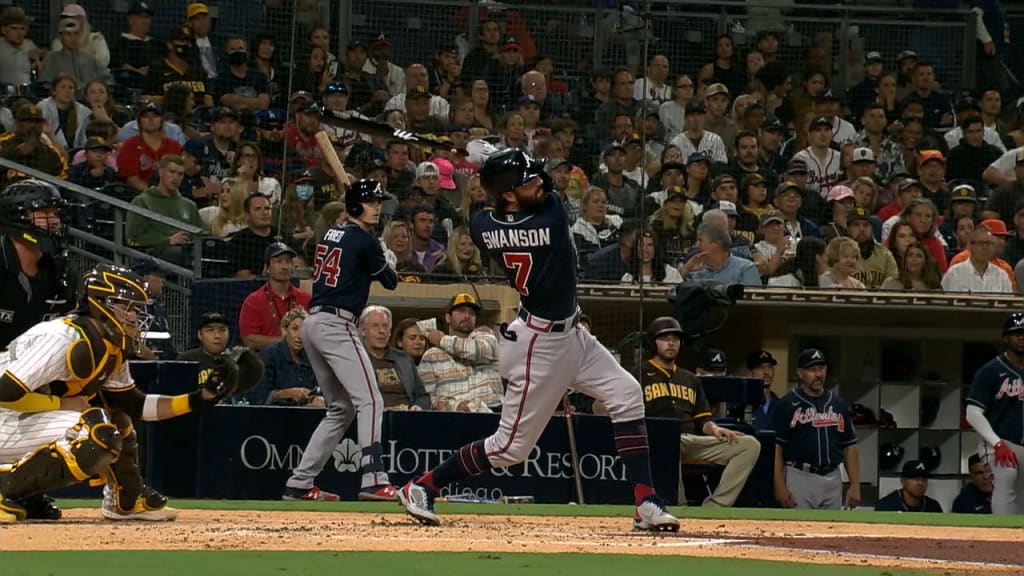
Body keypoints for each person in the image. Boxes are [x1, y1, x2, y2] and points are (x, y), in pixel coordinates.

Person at [396, 149, 679, 531]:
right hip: (538, 346)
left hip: (570, 335)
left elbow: (491, 205)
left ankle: (645, 501)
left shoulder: (482, 225)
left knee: (627, 395)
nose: (540, 183)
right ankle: (422, 486)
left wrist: (503, 171)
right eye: (528, 182)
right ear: (510, 195)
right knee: (509, 449)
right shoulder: (553, 215)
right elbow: (544, 193)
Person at [0, 264, 239, 525]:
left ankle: (127, 498)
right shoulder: (62, 337)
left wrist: (200, 398)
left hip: (16, 419)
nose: (136, 317)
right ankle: (6, 490)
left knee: (114, 419)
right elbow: (4, 391)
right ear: (102, 304)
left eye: (136, 309)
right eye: (129, 307)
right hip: (5, 414)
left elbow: (136, 406)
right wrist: (61, 403)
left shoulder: (110, 346)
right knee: (94, 434)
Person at [283, 179, 399, 503]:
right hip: (337, 323)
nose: (377, 206)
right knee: (372, 400)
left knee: (341, 409)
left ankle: (300, 483)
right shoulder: (364, 239)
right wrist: (387, 258)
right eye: (371, 201)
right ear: (354, 205)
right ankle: (374, 479)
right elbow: (390, 282)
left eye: (378, 201)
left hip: (313, 322)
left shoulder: (332, 232)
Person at [641, 317, 760, 507]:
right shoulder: (639, 373)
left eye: (676, 339)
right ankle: (677, 506)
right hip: (660, 441)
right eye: (665, 338)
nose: (671, 343)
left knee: (749, 445)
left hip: (692, 440)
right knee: (670, 443)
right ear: (653, 342)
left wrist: (715, 430)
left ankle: (715, 507)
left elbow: (702, 419)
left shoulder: (690, 378)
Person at [772, 348, 861, 510]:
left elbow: (850, 446)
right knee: (799, 531)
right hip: (800, 476)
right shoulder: (787, 404)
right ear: (800, 373)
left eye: (821, 369)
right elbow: (776, 449)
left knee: (830, 532)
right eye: (812, 370)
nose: (818, 374)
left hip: (832, 477)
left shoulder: (838, 404)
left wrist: (855, 484)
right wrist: (779, 486)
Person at [964, 312, 1024, 515]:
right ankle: (1002, 533)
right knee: (1006, 476)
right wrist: (997, 443)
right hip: (999, 441)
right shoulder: (990, 371)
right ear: (1005, 338)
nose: (1021, 337)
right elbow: (972, 412)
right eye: (1016, 333)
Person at [418, 293, 503, 412]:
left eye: (471, 313)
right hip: (454, 419)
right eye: (461, 311)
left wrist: (441, 339)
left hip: (493, 412)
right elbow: (427, 398)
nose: (467, 315)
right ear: (448, 317)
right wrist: (455, 406)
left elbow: (477, 351)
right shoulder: (432, 356)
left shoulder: (486, 338)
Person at [238, 242, 311, 351]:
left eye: (288, 262)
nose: (284, 266)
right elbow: (249, 339)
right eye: (278, 262)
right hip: (267, 361)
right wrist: (285, 341)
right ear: (267, 268)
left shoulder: (306, 298)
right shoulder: (253, 301)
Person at [360, 306, 429, 411]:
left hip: (405, 417)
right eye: (375, 326)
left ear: (390, 332)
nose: (381, 331)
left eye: (385, 326)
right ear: (363, 330)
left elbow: (423, 396)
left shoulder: (404, 360)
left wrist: (418, 406)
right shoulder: (353, 360)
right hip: (371, 417)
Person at [875, 460, 943, 512]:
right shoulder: (886, 506)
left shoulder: (934, 507)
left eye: (924, 478)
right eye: (915, 478)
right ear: (903, 481)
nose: (920, 483)